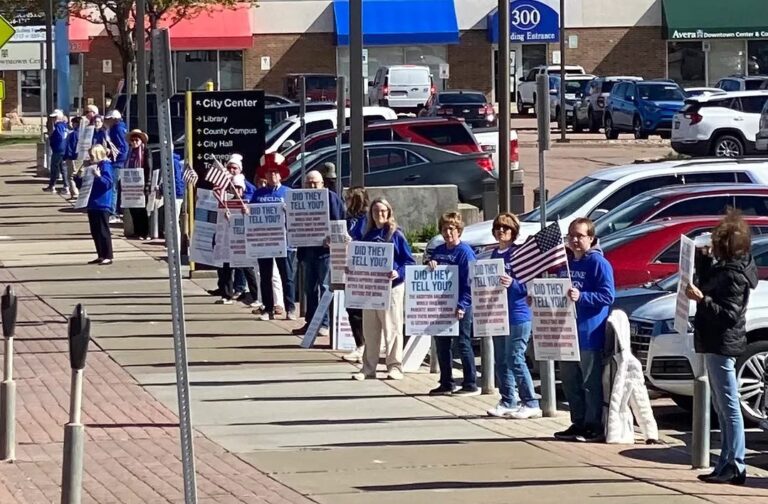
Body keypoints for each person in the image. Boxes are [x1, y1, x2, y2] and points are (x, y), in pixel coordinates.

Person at [686, 210, 756, 485]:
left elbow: (729, 315)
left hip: (723, 343)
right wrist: (703, 262)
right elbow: (711, 284)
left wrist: (701, 300)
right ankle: (725, 461)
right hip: (714, 340)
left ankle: (736, 463)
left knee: (729, 406)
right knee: (721, 404)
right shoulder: (728, 268)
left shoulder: (734, 275)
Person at [555, 217, 615, 442]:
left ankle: (594, 425)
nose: (575, 240)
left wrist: (583, 296)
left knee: (590, 382)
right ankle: (577, 421)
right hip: (566, 333)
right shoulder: (568, 263)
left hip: (589, 333)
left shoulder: (598, 263)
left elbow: (608, 295)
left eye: (580, 236)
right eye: (571, 235)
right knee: (570, 381)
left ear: (591, 238)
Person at [483, 213, 540, 417]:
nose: (501, 231)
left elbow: (530, 284)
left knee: (515, 357)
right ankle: (508, 399)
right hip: (497, 313)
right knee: (501, 359)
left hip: (518, 313)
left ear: (514, 232)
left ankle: (531, 402)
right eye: (498, 227)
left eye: (506, 228)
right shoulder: (494, 255)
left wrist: (513, 283)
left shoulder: (519, 254)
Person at [353, 198, 415, 381]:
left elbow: (408, 261)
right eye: (375, 211)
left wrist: (398, 272)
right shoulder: (367, 234)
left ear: (389, 213)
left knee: (392, 328)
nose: (379, 214)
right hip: (371, 289)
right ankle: (368, 368)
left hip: (392, 288)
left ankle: (395, 366)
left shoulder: (396, 234)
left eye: (383, 211)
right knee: (370, 330)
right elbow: (359, 258)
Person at [426, 212, 479, 396]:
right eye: (444, 229)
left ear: (458, 231)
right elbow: (429, 272)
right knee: (441, 344)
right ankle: (446, 382)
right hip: (441, 305)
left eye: (452, 229)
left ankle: (470, 383)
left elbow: (470, 281)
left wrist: (463, 304)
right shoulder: (439, 250)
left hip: (461, 305)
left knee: (463, 343)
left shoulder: (465, 252)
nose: (448, 232)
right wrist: (430, 263)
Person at [293, 170, 345, 336]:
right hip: (307, 250)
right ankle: (311, 323)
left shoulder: (331, 198)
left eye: (315, 182)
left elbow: (339, 221)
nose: (312, 186)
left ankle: (324, 323)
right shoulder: (299, 199)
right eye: (308, 183)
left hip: (325, 252)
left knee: (324, 287)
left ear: (323, 183)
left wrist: (333, 238)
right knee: (309, 289)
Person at [250, 152, 297, 321]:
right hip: (264, 242)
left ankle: (290, 308)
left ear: (281, 175)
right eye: (269, 172)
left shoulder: (288, 192)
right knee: (266, 276)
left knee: (287, 276)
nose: (272, 175)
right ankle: (268, 309)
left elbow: (298, 217)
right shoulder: (258, 194)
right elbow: (251, 216)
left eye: (275, 172)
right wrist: (246, 212)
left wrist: (288, 210)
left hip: (284, 241)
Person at [340, 186, 368, 363]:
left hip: (363, 269)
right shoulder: (348, 218)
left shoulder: (366, 219)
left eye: (349, 199)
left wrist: (354, 241)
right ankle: (360, 344)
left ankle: (364, 345)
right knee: (351, 307)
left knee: (361, 309)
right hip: (348, 266)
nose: (346, 202)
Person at [85, 144, 115, 265]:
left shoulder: (106, 166)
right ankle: (101, 254)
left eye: (92, 155)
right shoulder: (93, 166)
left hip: (102, 203)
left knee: (103, 230)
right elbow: (84, 183)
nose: (90, 157)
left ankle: (108, 255)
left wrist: (99, 176)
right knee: (95, 230)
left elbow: (108, 183)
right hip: (92, 202)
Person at [125, 129, 152, 240]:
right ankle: (137, 231)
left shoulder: (146, 151)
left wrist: (148, 184)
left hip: (142, 183)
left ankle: (144, 232)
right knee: (132, 208)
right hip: (130, 183)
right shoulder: (130, 152)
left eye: (137, 140)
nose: (134, 142)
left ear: (141, 141)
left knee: (141, 209)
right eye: (132, 140)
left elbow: (149, 168)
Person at [105, 110, 128, 223]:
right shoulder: (122, 127)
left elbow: (122, 147)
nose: (107, 121)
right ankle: (116, 210)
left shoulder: (117, 129)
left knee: (113, 188)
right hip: (120, 161)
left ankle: (113, 213)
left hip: (117, 162)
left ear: (114, 119)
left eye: (109, 119)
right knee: (116, 188)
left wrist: (112, 153)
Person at [44, 109, 68, 194]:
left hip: (58, 150)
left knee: (54, 167)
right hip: (63, 149)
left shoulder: (58, 126)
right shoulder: (65, 126)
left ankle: (52, 186)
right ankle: (66, 186)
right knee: (63, 168)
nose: (53, 119)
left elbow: (60, 136)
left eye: (54, 117)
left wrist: (51, 137)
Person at [63, 116, 81, 199]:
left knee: (71, 176)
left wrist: (67, 157)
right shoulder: (85, 133)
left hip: (73, 157)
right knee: (79, 175)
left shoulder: (73, 134)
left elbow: (71, 147)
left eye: (73, 123)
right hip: (82, 157)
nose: (72, 124)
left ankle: (74, 192)